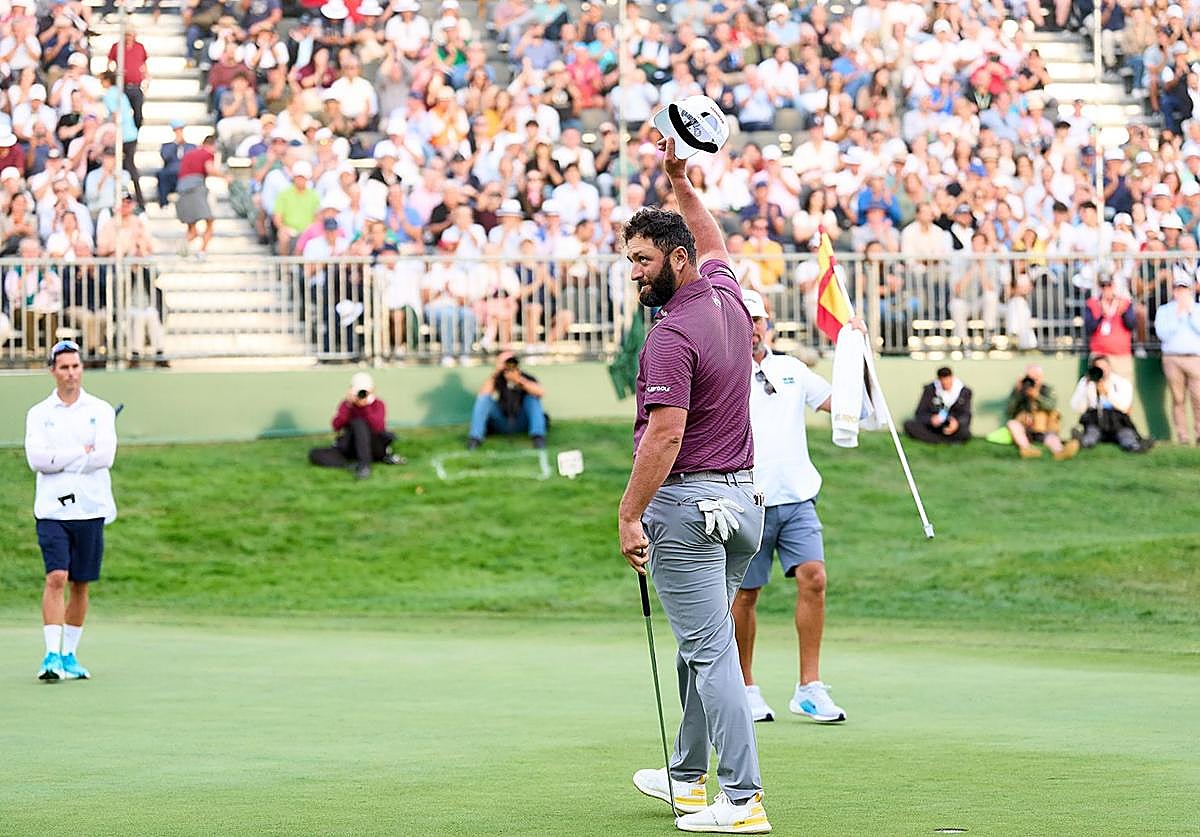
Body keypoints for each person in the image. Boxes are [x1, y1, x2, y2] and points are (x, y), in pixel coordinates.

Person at [622, 138, 770, 834]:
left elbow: (665, 435)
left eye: (644, 261)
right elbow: (711, 237)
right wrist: (682, 182)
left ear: (676, 260)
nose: (635, 274)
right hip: (744, 504)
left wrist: (629, 514)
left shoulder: (670, 335)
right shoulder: (726, 296)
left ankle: (742, 799)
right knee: (700, 641)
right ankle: (686, 777)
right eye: (630, 262)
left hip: (688, 506)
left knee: (711, 653)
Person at [731, 289, 851, 728]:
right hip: (748, 499)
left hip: (797, 496)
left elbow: (841, 404)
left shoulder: (791, 369)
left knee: (814, 577)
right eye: (746, 319)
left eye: (759, 319)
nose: (754, 326)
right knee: (745, 596)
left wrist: (857, 356)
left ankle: (809, 688)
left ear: (770, 325)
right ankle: (744, 687)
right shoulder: (724, 373)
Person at [24, 340, 117, 681]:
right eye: (63, 367)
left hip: (90, 506)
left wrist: (60, 456)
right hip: (52, 509)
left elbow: (104, 457)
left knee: (80, 583)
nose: (71, 373)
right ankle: (50, 656)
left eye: (75, 366)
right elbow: (38, 460)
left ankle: (69, 656)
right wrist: (80, 451)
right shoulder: (38, 414)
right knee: (56, 577)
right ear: (53, 371)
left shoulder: (101, 410)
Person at [308, 372, 404, 480]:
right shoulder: (347, 404)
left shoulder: (378, 404)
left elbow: (378, 427)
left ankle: (365, 465)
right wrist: (349, 405)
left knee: (359, 423)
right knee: (314, 453)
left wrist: (365, 407)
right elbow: (336, 426)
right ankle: (351, 465)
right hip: (351, 447)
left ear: (372, 390)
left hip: (374, 446)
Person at [1070, 355, 1151, 453]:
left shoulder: (1121, 382)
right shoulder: (1087, 382)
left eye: (1105, 367)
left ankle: (1135, 446)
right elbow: (1076, 407)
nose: (1103, 371)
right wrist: (1086, 387)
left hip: (1117, 420)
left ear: (1110, 367)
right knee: (1090, 436)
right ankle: (1081, 443)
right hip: (1095, 420)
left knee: (1126, 436)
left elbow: (1124, 407)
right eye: (1099, 368)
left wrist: (1107, 393)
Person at [467, 353, 548, 449]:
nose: (508, 364)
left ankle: (538, 437)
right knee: (484, 400)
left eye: (511, 361)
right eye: (505, 362)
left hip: (522, 420)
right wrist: (497, 372)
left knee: (532, 398)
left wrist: (519, 380)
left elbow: (541, 392)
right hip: (502, 420)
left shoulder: (525, 377)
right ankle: (475, 438)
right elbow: (483, 395)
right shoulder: (497, 377)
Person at [1153, 276, 1200, 445]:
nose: (1181, 292)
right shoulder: (1165, 310)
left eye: (1184, 288)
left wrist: (1190, 313)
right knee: (1178, 399)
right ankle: (1183, 436)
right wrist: (1178, 316)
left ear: (1190, 290)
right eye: (1178, 288)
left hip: (1195, 358)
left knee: (1198, 399)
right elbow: (1163, 334)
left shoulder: (1197, 309)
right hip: (1172, 358)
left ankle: (1199, 434)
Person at [1005, 364, 1079, 460]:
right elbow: (1010, 410)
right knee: (1012, 424)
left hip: (1044, 428)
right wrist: (1018, 393)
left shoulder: (1048, 390)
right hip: (1026, 427)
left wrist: (1037, 397)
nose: (1033, 381)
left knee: (1051, 436)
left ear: (1041, 378)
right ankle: (1026, 449)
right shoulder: (1020, 391)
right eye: (1030, 378)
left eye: (1036, 378)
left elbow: (1051, 406)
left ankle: (1060, 452)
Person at [176, 135, 228, 257]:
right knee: (209, 220)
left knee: (192, 229)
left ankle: (182, 249)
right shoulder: (207, 154)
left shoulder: (189, 154)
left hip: (182, 190)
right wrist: (225, 177)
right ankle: (202, 251)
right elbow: (210, 169)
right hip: (195, 189)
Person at [903, 366, 973, 444]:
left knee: (964, 432)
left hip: (952, 426)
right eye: (943, 381)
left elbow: (966, 414)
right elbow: (920, 413)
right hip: (933, 426)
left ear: (951, 378)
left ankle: (936, 440)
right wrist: (930, 419)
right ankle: (942, 441)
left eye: (947, 380)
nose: (945, 383)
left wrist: (957, 423)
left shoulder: (964, 392)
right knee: (909, 425)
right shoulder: (930, 390)